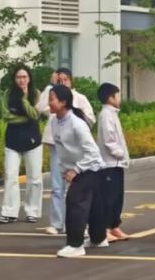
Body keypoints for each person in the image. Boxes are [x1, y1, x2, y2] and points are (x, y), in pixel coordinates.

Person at [50, 84, 107, 258]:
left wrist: (76, 170)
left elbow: (93, 152)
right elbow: (62, 149)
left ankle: (75, 245)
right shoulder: (55, 122)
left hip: (90, 168)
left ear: (63, 102)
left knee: (75, 202)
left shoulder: (77, 124)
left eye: (52, 99)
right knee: (94, 205)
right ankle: (98, 239)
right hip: (78, 168)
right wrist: (64, 170)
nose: (49, 102)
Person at [38, 68, 95, 235]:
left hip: (75, 147)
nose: (62, 82)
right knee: (57, 186)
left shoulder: (79, 98)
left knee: (77, 187)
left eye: (65, 79)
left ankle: (80, 224)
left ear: (71, 80)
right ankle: (57, 223)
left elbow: (90, 119)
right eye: (59, 80)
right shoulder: (52, 96)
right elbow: (40, 107)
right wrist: (50, 86)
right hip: (57, 146)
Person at [0, 64, 44, 224]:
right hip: (13, 140)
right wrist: (25, 118)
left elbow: (35, 115)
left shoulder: (36, 94)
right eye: (18, 77)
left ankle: (32, 211)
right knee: (10, 176)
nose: (21, 80)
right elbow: (6, 116)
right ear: (14, 79)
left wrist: (24, 99)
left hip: (32, 140)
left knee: (35, 178)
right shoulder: (8, 94)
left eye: (24, 77)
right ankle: (9, 211)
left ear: (29, 78)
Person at [96, 82, 130, 242]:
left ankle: (115, 226)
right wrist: (120, 154)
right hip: (109, 163)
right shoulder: (105, 115)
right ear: (110, 98)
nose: (120, 98)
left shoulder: (112, 114)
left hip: (117, 163)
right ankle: (104, 228)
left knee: (117, 197)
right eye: (118, 95)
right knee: (108, 198)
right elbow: (109, 140)